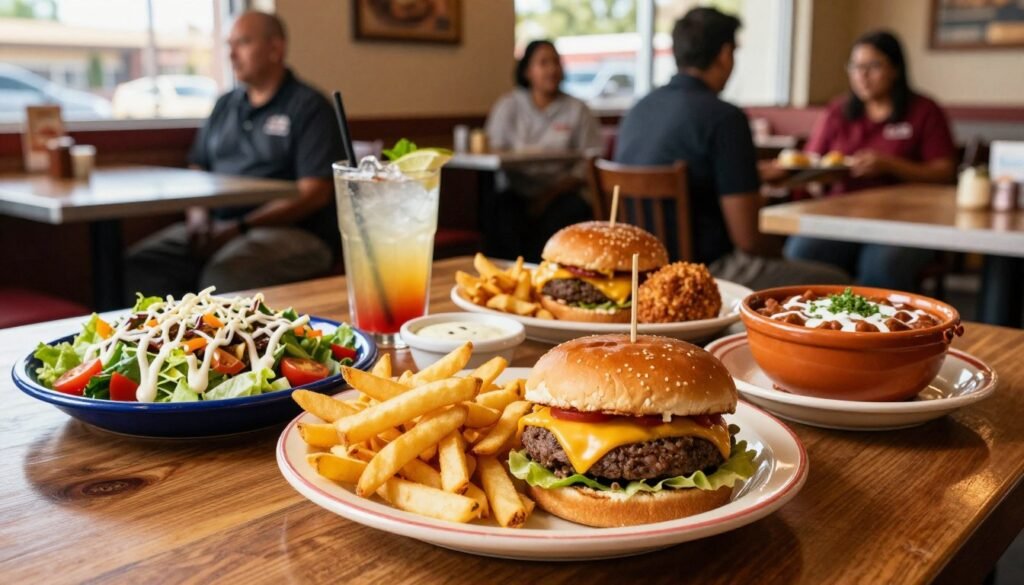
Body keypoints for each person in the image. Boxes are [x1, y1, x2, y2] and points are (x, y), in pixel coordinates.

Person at [614, 8, 848, 289]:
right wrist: (782, 255)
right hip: (705, 275)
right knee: (836, 281)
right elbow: (748, 239)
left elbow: (692, 176)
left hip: (639, 273)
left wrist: (752, 174)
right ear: (725, 54)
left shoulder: (639, 109)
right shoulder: (725, 118)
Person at [125, 10, 343, 299]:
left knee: (224, 274)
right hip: (217, 225)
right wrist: (199, 218)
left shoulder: (309, 107)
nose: (231, 55)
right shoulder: (225, 105)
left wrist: (238, 228)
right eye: (229, 45)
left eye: (242, 43)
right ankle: (168, 341)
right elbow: (198, 166)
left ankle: (226, 343)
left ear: (276, 49)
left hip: (295, 232)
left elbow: (315, 192)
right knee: (142, 263)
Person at [784, 31, 957, 291]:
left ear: (896, 69)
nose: (862, 75)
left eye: (873, 66)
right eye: (856, 66)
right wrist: (821, 180)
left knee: (882, 266)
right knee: (800, 253)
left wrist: (891, 165)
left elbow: (945, 171)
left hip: (905, 221)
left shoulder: (924, 111)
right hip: (841, 218)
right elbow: (813, 163)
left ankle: (874, 330)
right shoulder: (838, 111)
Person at [483, 40, 604, 261]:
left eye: (556, 62)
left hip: (563, 191)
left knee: (565, 213)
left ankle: (543, 278)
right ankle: (504, 277)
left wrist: (547, 196)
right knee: (499, 210)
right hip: (518, 190)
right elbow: (493, 149)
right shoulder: (509, 105)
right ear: (527, 71)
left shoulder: (577, 109)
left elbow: (589, 161)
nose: (552, 69)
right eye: (543, 63)